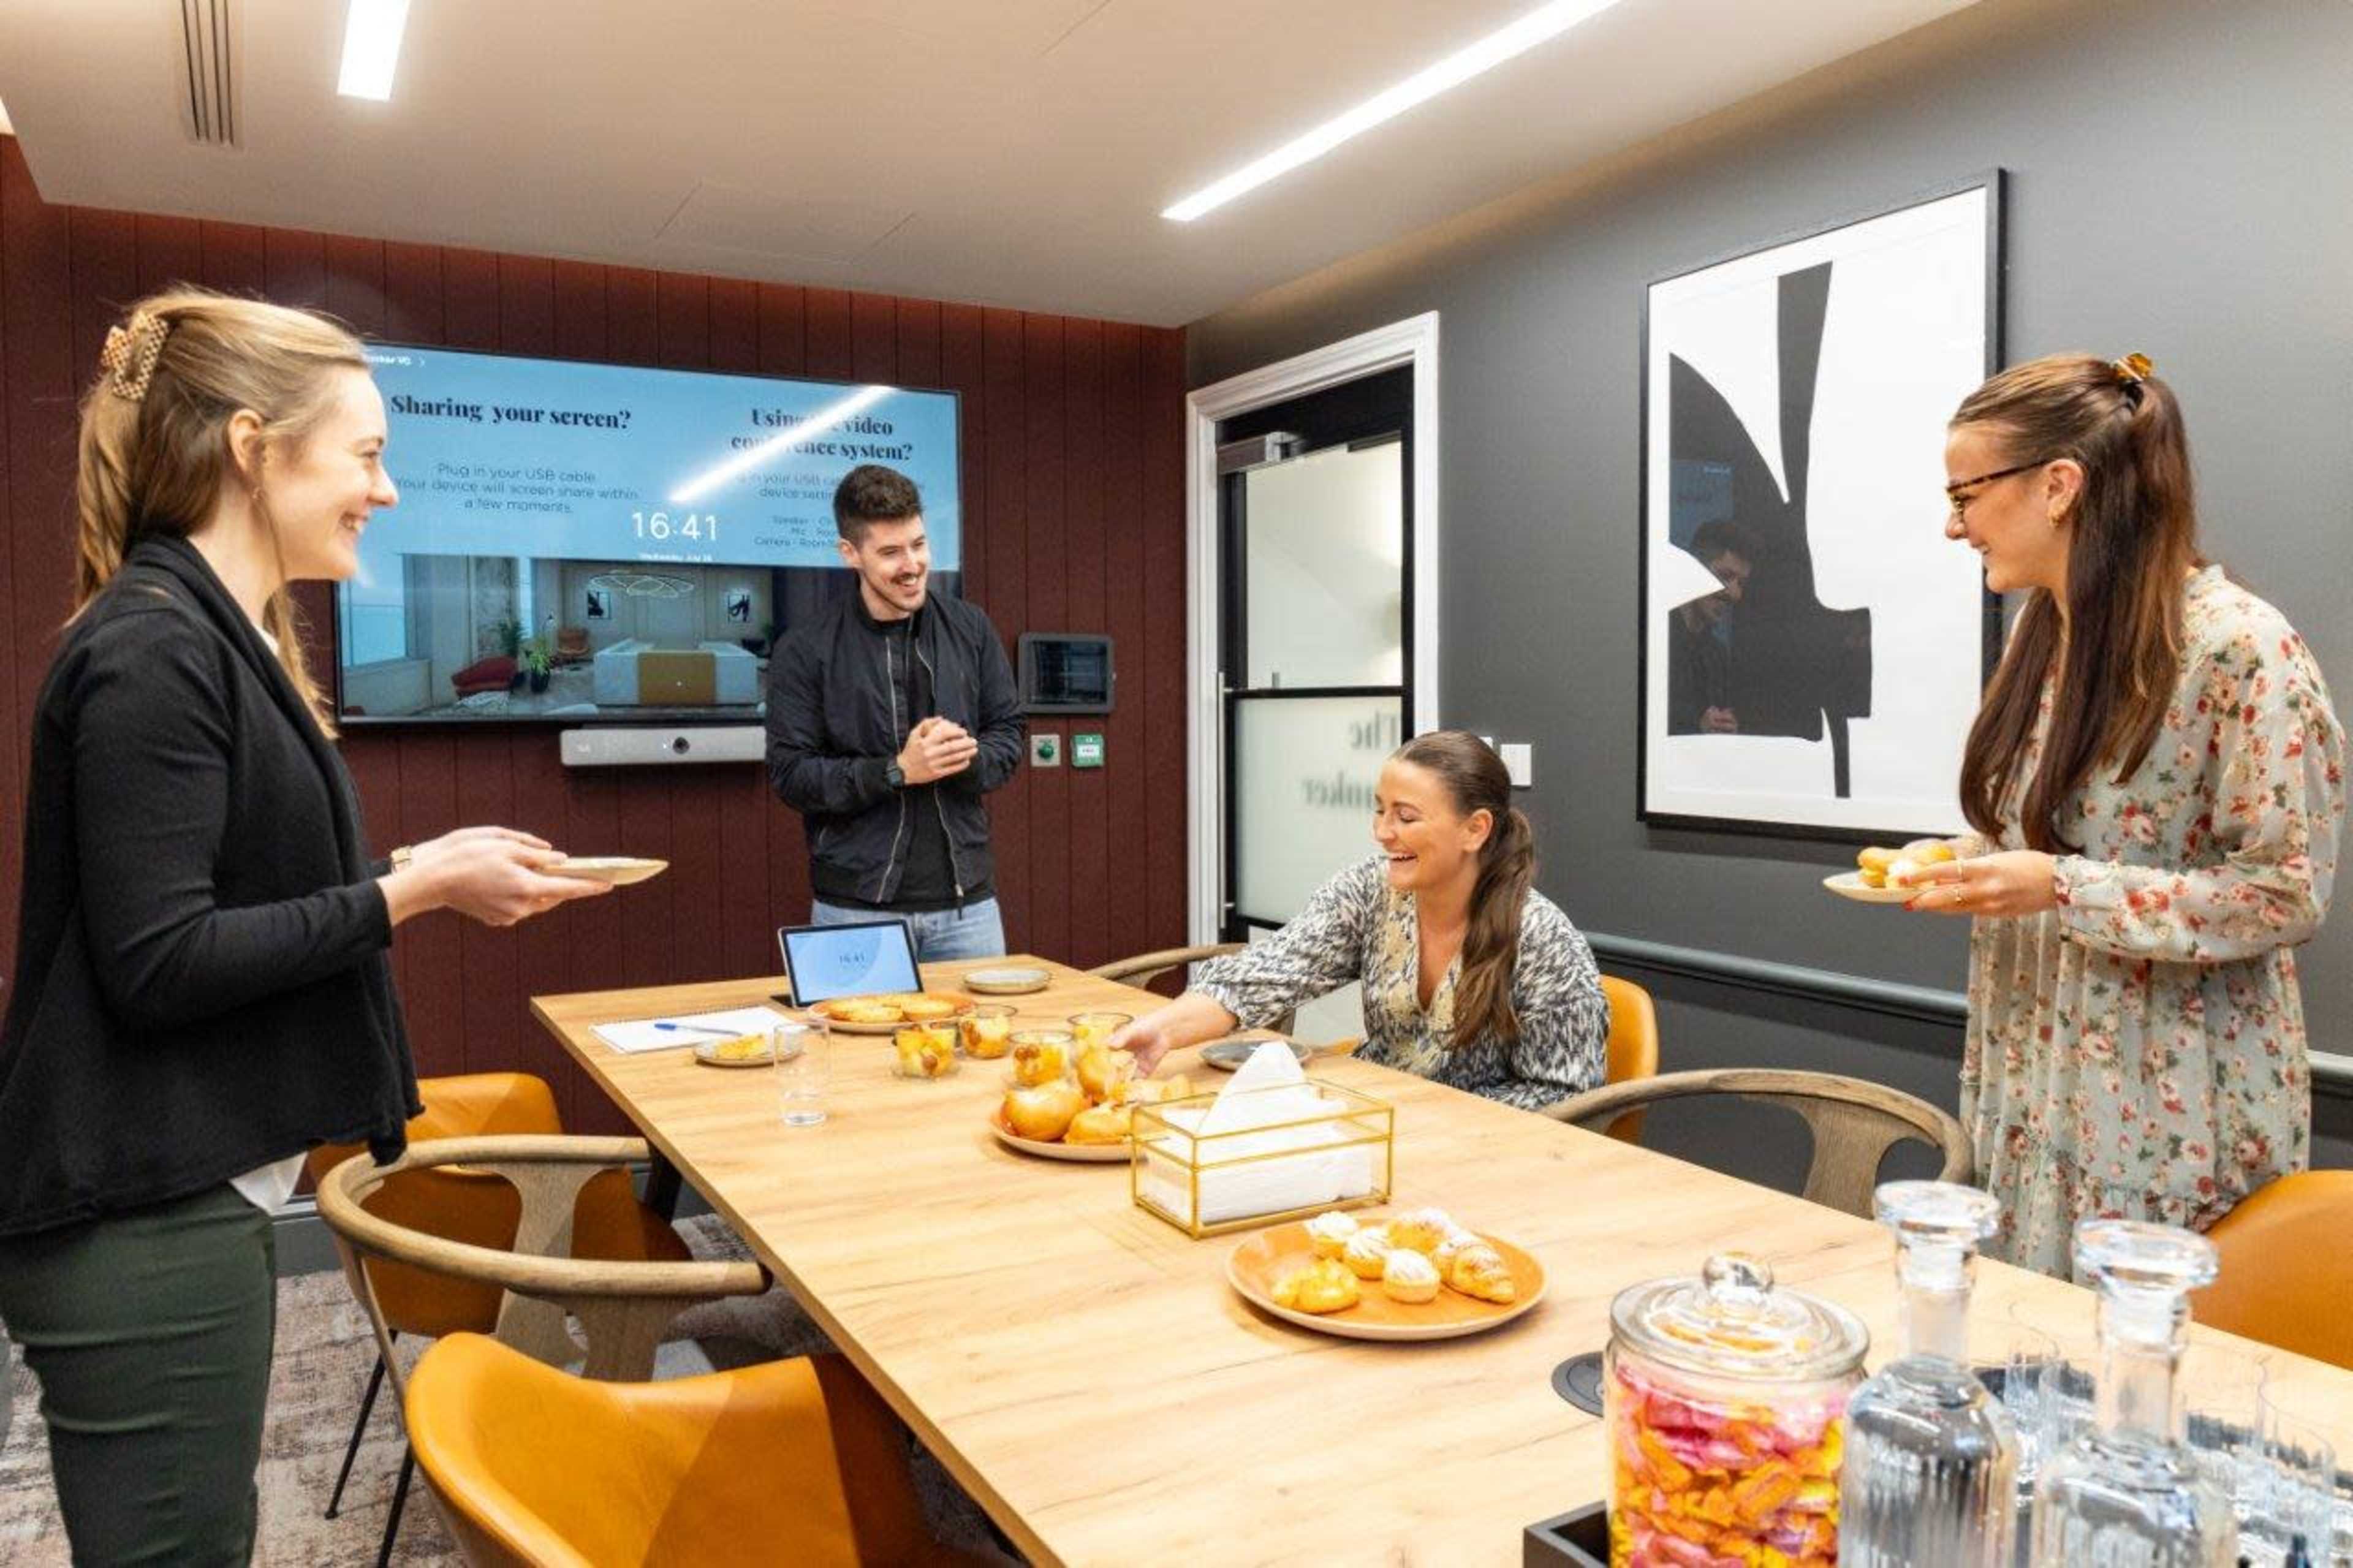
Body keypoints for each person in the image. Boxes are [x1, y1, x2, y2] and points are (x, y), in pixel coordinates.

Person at [0, 290, 610, 1562]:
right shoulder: (155, 648)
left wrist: (416, 868)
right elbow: (161, 960)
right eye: (367, 454)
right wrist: (412, 890)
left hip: (179, 1198)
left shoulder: (208, 636)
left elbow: (217, 901)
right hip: (140, 1219)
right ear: (252, 447)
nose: (385, 491)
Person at [1903, 351, 2344, 1276]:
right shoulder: (2043, 636)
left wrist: (2061, 888)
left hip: (2163, 1109)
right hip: (2034, 1081)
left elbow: (2284, 892)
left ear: (2059, 486)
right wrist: (1968, 859)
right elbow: (2070, 832)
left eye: (1966, 494)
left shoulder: (2240, 648)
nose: (1953, 525)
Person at [1115, 730, 1610, 1111]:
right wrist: (1162, 1030)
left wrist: (1431, 1116)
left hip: (1478, 1159)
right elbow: (1269, 971)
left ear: (1475, 829)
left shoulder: (1543, 939)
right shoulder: (1369, 891)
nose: (1382, 832)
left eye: (1406, 817)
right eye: (1379, 811)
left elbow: (1566, 1098)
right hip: (1374, 1124)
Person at [766, 463, 1025, 960]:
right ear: (850, 553)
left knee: (978, 1020)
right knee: (851, 1022)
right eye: (890, 552)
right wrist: (898, 770)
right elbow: (792, 775)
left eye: (919, 544)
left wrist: (962, 758)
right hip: (853, 910)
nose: (912, 565)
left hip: (968, 911)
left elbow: (1009, 734)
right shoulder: (805, 648)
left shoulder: (971, 629)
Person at [1665, 518, 1757, 735]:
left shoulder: (1718, 656)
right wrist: (1695, 729)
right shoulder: (1655, 641)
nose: (1735, 594)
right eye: (1725, 576)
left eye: (1741, 584)